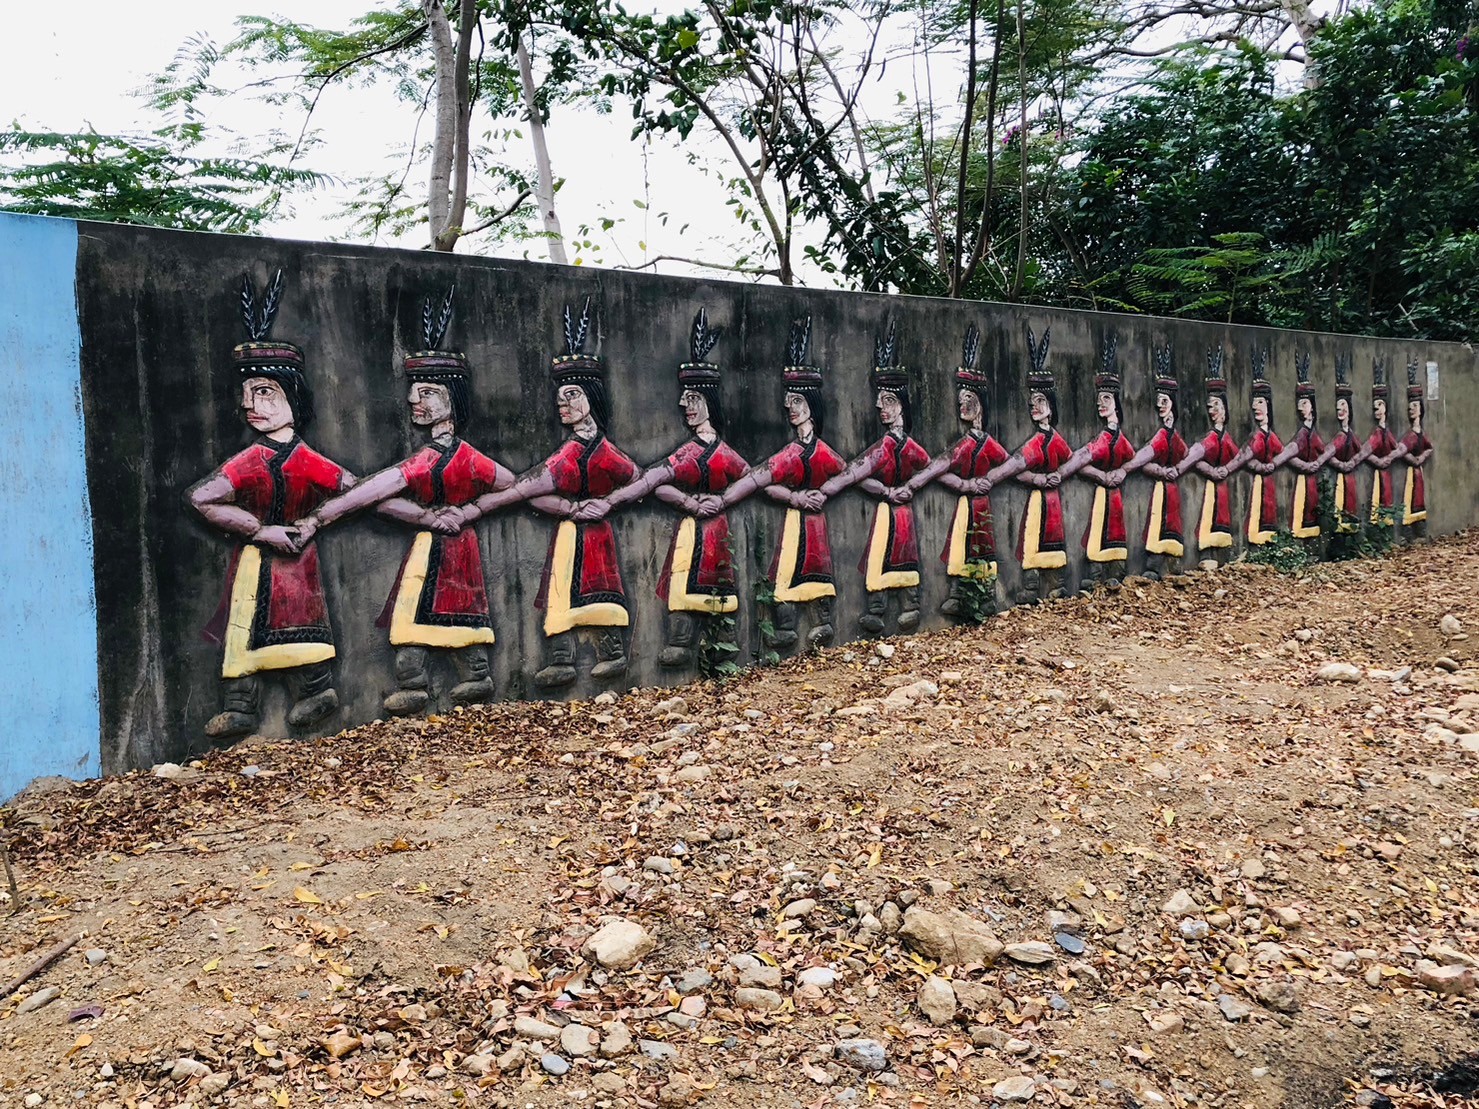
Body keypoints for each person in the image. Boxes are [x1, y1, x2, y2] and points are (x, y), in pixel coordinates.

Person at [293, 290, 509, 715]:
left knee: (460, 615)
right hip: (429, 547)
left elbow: (511, 485)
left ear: (452, 400)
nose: (415, 400)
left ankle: (477, 677)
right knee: (411, 618)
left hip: (458, 552)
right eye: (414, 391)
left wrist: (469, 511)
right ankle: (414, 683)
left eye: (426, 392)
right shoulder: (427, 458)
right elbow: (369, 495)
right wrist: (422, 515)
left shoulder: (463, 458)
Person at [188, 272, 353, 739]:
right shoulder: (249, 458)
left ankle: (317, 691)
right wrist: (259, 530)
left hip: (299, 561)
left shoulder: (309, 460)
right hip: (257, 557)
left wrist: (316, 521)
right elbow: (202, 497)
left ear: (292, 397)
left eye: (263, 392)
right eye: (247, 394)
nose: (250, 405)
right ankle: (241, 706)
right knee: (243, 625)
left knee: (304, 625)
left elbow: (354, 489)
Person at [449, 301, 636, 689]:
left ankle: (613, 654)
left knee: (601, 592)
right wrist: (566, 506)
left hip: (597, 535)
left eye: (571, 395)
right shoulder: (568, 452)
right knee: (559, 593)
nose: (562, 404)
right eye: (560, 397)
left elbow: (639, 479)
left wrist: (608, 503)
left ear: (592, 399)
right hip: (570, 532)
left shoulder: (603, 452)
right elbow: (526, 489)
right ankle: (562, 660)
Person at [586, 309, 749, 669]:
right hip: (692, 529)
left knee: (719, 584)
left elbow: (752, 478)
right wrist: (687, 501)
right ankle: (682, 640)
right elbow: (650, 482)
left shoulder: (722, 453)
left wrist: (723, 500)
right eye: (683, 398)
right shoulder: (687, 453)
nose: (683, 405)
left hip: (718, 532)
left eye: (691, 398)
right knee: (682, 582)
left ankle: (720, 642)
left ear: (708, 401)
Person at [717, 317, 844, 651]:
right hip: (794, 519)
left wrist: (823, 492)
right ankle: (785, 629)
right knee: (782, 574)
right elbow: (759, 480)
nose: (790, 408)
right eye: (788, 402)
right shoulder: (790, 452)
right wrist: (794, 497)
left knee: (818, 569)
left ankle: (823, 623)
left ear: (812, 406)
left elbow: (848, 473)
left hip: (815, 524)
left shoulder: (824, 452)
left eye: (797, 402)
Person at [904, 324, 1021, 619]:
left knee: (984, 548)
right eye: (960, 402)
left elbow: (1013, 464)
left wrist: (990, 479)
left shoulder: (987, 443)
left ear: (980, 402)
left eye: (968, 400)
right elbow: (936, 467)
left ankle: (985, 596)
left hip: (981, 504)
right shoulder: (964, 444)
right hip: (965, 501)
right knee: (958, 546)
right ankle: (959, 593)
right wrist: (959, 484)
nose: (962, 406)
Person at [820, 319, 929, 634]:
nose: (880, 406)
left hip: (903, 511)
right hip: (887, 507)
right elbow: (854, 473)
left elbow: (932, 468)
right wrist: (882, 490)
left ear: (901, 406)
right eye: (879, 400)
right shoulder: (883, 447)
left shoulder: (908, 447)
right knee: (879, 556)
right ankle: (877, 608)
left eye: (888, 401)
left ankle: (910, 605)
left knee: (906, 557)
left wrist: (909, 486)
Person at [1058, 336, 1140, 593]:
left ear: (1116, 401)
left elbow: (1134, 458)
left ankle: (1116, 572)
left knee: (1116, 529)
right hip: (1103, 491)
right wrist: (1099, 475)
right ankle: (1094, 574)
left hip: (1114, 494)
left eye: (1105, 398)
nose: (1100, 403)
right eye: (1098, 398)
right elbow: (1078, 460)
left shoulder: (1119, 438)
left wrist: (1123, 471)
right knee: (1098, 530)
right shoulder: (1102, 439)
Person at [1171, 346, 1249, 568]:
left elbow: (1241, 456)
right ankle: (1207, 557)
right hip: (1212, 487)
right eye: (1209, 405)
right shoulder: (1212, 438)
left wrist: (1227, 469)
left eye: (1216, 404)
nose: (1211, 409)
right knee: (1209, 516)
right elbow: (1195, 454)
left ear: (1225, 407)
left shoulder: (1226, 438)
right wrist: (1201, 470)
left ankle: (1221, 557)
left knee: (1222, 519)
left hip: (1222, 487)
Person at [1009, 327, 1071, 603]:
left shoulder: (1055, 440)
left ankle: (1056, 584)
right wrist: (1037, 480)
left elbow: (1072, 460)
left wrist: (1057, 474)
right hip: (1037, 496)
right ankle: (1031, 586)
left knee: (1055, 537)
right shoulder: (1034, 442)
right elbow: (1014, 467)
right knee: (1031, 537)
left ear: (1051, 405)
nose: (1034, 406)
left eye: (1040, 401)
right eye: (1031, 402)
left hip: (1053, 499)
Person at [1115, 349, 1187, 580]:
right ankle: (1157, 566)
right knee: (1160, 522)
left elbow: (1187, 456)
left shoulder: (1170, 436)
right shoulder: (1164, 435)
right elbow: (1143, 458)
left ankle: (1168, 566)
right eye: (1158, 402)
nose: (1160, 406)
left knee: (1169, 523)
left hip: (1170, 490)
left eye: (1164, 401)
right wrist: (1156, 469)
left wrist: (1175, 469)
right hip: (1164, 487)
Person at [1242, 349, 1293, 547]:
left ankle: (1269, 547)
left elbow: (1287, 452)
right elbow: (1242, 457)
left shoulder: (1270, 436)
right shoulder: (1256, 436)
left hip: (1269, 484)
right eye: (1254, 403)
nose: (1256, 407)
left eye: (1260, 403)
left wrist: (1273, 464)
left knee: (1270, 512)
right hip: (1258, 482)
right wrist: (1257, 466)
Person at [1320, 356, 1363, 533]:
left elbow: (1363, 451)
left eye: (1343, 406)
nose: (1340, 411)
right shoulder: (1339, 436)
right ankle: (1340, 542)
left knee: (1351, 506)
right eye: (1337, 408)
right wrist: (1339, 464)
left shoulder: (1350, 435)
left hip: (1350, 478)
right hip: (1340, 478)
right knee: (1339, 507)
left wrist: (1352, 463)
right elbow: (1327, 452)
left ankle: (1350, 540)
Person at [1286, 354, 1326, 541]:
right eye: (1298, 404)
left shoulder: (1313, 434)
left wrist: (1318, 462)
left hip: (1312, 481)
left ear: (1312, 406)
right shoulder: (1302, 434)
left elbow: (1327, 452)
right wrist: (1304, 466)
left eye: (1304, 403)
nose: (1300, 408)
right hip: (1303, 479)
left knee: (1311, 511)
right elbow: (1284, 454)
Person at [1363, 357, 1405, 531]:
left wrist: (1390, 456)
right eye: (1374, 408)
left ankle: (1386, 531)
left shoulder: (1386, 431)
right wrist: (1378, 461)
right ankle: (1379, 534)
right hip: (1379, 474)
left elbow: (1401, 447)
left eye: (1379, 406)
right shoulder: (1377, 433)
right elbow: (1364, 451)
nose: (1377, 411)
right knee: (1378, 500)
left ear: (1386, 407)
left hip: (1386, 474)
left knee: (1387, 499)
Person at [1399, 358, 1434, 541]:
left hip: (1418, 472)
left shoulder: (1420, 433)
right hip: (1412, 472)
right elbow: (1401, 449)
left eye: (1415, 406)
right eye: (1409, 407)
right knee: (1409, 497)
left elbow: (1430, 447)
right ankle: (1408, 532)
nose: (1411, 409)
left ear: (1421, 409)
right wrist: (1412, 460)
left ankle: (1419, 529)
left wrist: (1421, 458)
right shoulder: (1410, 435)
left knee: (1419, 498)